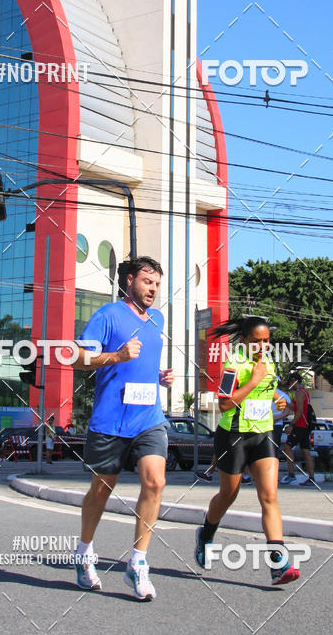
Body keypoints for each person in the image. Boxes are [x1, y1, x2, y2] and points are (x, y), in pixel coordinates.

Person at [72, 256, 174, 600]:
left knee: (155, 481)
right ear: (129, 280)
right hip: (111, 420)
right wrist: (116, 356)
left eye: (157, 284)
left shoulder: (157, 319)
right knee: (101, 490)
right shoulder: (107, 315)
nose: (153, 289)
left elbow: (140, 365)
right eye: (147, 282)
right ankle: (84, 552)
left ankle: (138, 563)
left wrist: (158, 377)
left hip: (149, 418)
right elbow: (78, 358)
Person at [194, 316, 300, 586]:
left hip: (263, 435)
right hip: (234, 436)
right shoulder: (234, 364)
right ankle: (205, 535)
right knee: (228, 495)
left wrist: (277, 397)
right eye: (256, 341)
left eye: (266, 341)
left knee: (269, 497)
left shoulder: (269, 362)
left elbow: (269, 387)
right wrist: (252, 382)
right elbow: (224, 404)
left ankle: (278, 564)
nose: (262, 346)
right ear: (244, 341)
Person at [281, 371, 316, 486]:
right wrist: (286, 403)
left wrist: (291, 425)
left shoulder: (299, 393)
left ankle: (291, 475)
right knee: (306, 451)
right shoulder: (304, 392)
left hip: (300, 425)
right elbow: (296, 408)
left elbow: (299, 411)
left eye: (290, 382)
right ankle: (311, 478)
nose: (289, 384)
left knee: (287, 448)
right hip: (305, 426)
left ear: (294, 381)